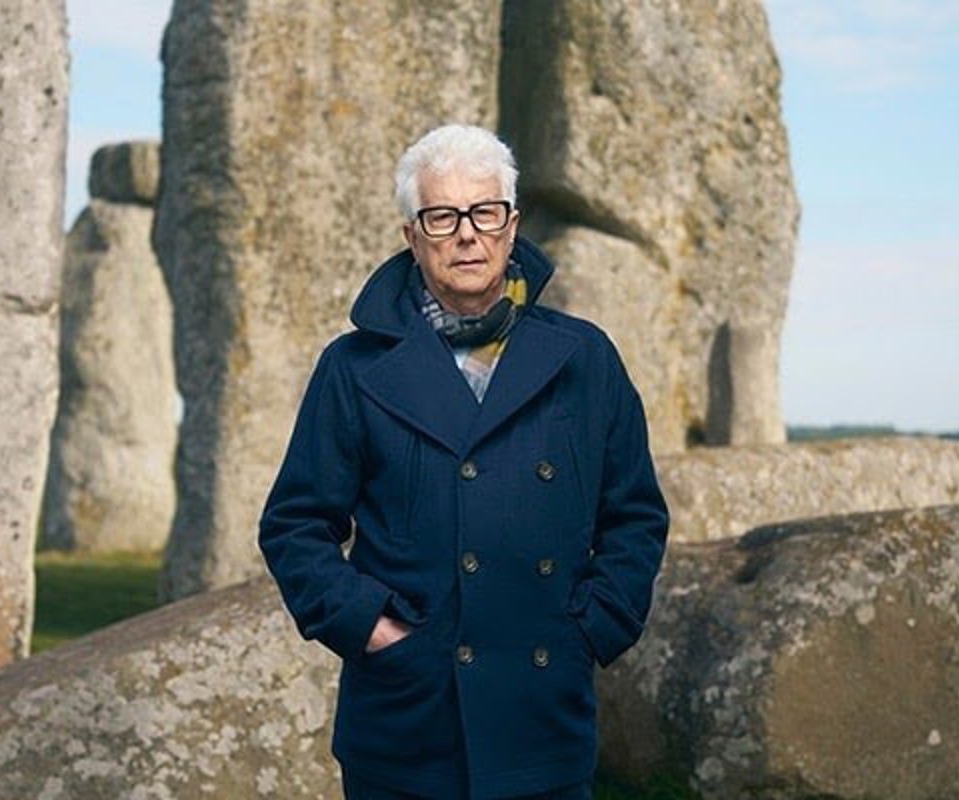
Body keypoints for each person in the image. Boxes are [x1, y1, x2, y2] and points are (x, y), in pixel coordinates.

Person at [257, 124, 670, 800]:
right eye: (442, 217)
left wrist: (593, 627)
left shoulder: (585, 358)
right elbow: (294, 525)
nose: (467, 235)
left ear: (512, 226)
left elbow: (634, 516)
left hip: (544, 715)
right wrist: (369, 625)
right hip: (408, 723)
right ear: (412, 236)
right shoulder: (353, 368)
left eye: (485, 213)